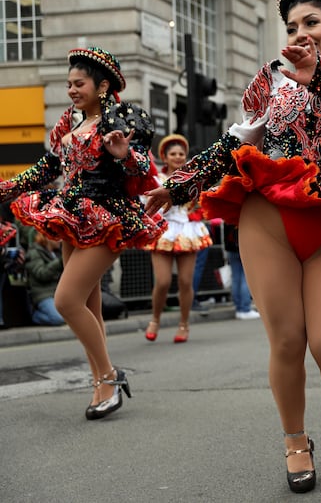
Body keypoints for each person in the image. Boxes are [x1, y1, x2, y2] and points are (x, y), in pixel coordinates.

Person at [144, 0, 321, 493]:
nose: (300, 33)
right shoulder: (270, 79)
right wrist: (179, 186)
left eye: (312, 23)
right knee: (287, 341)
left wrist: (318, 80)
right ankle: (294, 441)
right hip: (268, 215)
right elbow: (238, 142)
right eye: (292, 26)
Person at [0, 46, 166, 419]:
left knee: (65, 301)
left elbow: (143, 167)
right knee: (89, 305)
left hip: (106, 216)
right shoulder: (70, 125)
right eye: (69, 84)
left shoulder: (118, 121)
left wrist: (124, 152)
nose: (72, 90)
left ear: (102, 85)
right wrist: (7, 187)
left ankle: (110, 375)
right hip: (71, 215)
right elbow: (46, 169)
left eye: (80, 83)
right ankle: (100, 384)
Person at [143, 134, 213, 342]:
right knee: (163, 281)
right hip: (164, 230)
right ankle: (155, 319)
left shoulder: (193, 178)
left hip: (187, 230)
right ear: (165, 157)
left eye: (181, 154)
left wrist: (197, 207)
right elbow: (148, 205)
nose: (178, 157)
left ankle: (184, 324)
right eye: (173, 154)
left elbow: (201, 204)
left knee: (185, 281)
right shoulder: (158, 180)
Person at [25, 231, 65, 326]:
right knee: (57, 319)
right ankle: (36, 316)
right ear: (47, 237)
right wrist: (59, 263)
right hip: (43, 294)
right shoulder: (34, 252)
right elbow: (41, 274)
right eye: (57, 238)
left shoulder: (58, 252)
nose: (60, 241)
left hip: (58, 293)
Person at [223, 225, 260, 320]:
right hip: (243, 245)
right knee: (245, 277)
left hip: (231, 247)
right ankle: (245, 308)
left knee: (236, 278)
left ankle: (239, 308)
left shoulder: (227, 214)